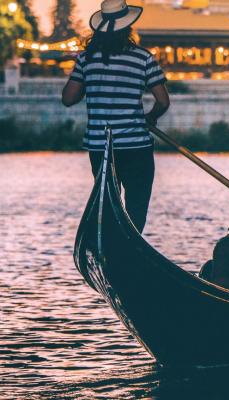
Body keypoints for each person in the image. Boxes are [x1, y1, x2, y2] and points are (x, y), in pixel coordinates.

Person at [61, 0, 170, 232]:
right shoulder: (143, 58)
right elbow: (163, 101)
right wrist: (150, 117)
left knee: (107, 207)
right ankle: (128, 251)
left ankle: (111, 252)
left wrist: (90, 81)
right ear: (128, 28)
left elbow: (68, 98)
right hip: (135, 146)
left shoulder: (85, 59)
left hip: (100, 147)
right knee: (136, 208)